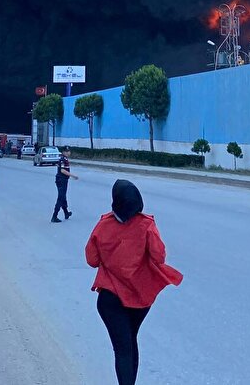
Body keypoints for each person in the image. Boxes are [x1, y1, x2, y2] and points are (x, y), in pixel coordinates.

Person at [85, 180, 182, 385]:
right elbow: (159, 257)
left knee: (122, 348)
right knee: (131, 342)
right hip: (139, 298)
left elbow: (92, 260)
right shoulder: (146, 224)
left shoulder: (103, 225)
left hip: (110, 297)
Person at [51, 146, 78, 222]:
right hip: (62, 180)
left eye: (69, 151)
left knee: (63, 197)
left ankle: (66, 213)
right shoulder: (63, 159)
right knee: (60, 197)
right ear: (63, 152)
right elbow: (62, 171)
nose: (68, 152)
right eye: (67, 151)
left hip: (62, 180)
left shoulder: (64, 159)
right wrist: (73, 175)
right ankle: (54, 216)